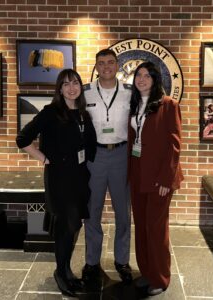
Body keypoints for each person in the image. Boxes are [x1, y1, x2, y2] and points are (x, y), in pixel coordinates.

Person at [16, 69, 97, 297]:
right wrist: (44, 158)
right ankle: (61, 273)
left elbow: (87, 146)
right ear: (60, 89)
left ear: (80, 87)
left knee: (75, 226)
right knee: (65, 227)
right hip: (60, 179)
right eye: (66, 84)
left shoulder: (83, 114)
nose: (71, 87)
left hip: (80, 178)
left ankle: (66, 269)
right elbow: (22, 139)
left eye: (75, 83)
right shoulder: (51, 113)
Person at [128, 62, 184, 296]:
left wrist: (165, 179)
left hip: (159, 176)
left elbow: (174, 145)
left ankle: (161, 277)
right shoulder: (133, 104)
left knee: (156, 227)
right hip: (138, 172)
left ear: (155, 79)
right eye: (138, 75)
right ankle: (147, 272)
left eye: (146, 76)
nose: (141, 79)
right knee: (141, 226)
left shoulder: (169, 105)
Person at [82, 48, 133, 284]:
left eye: (111, 63)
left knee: (123, 212)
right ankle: (92, 262)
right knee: (92, 212)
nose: (106, 67)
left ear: (118, 66)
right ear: (96, 66)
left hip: (121, 155)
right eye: (101, 63)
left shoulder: (130, 93)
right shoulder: (85, 92)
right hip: (96, 158)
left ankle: (122, 260)